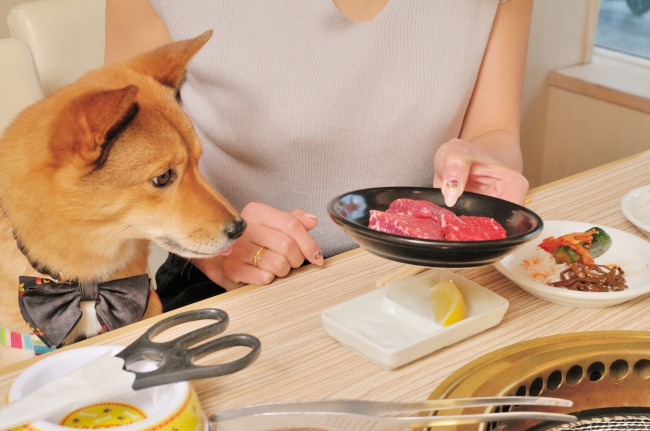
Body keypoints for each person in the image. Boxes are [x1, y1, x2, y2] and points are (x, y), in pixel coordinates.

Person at [105, 0, 533, 309]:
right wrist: (214, 250)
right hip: (237, 290)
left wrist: (484, 165)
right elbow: (114, 170)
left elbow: (493, 131)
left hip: (428, 277)